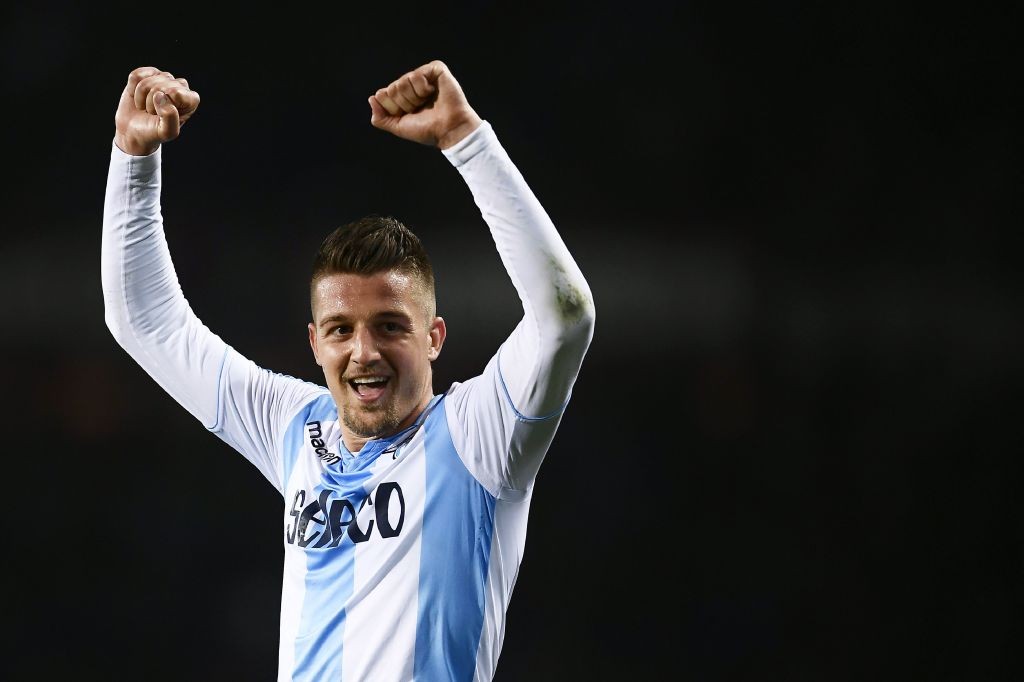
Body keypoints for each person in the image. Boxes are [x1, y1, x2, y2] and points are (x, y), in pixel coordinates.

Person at [102, 60, 595, 681]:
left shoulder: (479, 436)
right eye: (341, 330)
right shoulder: (293, 425)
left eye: (389, 326)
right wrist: (134, 157)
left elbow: (565, 316)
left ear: (434, 338)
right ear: (314, 343)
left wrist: (467, 142)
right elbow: (146, 322)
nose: (363, 351)